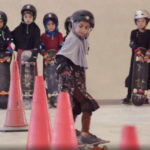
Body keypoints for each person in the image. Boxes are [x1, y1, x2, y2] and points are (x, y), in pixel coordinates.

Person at [56, 10, 101, 144]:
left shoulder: (82, 40)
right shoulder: (73, 39)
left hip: (78, 78)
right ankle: (85, 135)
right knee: (87, 104)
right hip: (72, 80)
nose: (83, 30)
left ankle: (68, 129)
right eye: (80, 26)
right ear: (73, 25)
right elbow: (60, 56)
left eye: (87, 27)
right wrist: (63, 67)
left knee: (76, 107)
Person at [12, 4, 40, 108]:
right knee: (22, 76)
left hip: (31, 54)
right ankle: (21, 96)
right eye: (26, 17)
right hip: (21, 55)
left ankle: (32, 97)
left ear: (34, 17)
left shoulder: (36, 29)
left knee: (31, 76)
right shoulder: (19, 29)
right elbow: (11, 37)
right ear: (22, 17)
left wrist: (35, 55)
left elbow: (37, 43)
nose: (28, 19)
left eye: (30, 17)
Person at [123, 10, 150, 104]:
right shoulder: (134, 32)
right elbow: (133, 44)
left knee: (145, 76)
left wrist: (147, 56)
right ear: (136, 22)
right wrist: (139, 55)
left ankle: (144, 96)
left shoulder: (149, 33)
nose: (140, 23)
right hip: (136, 58)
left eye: (142, 21)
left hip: (147, 59)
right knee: (133, 75)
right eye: (138, 21)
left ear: (146, 22)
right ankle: (129, 96)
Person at [40, 12, 64, 107]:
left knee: (57, 78)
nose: (50, 26)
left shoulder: (59, 35)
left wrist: (56, 55)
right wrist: (46, 55)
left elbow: (62, 47)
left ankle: (57, 99)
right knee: (48, 78)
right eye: (48, 24)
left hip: (56, 60)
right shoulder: (43, 36)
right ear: (45, 25)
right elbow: (40, 48)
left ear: (56, 24)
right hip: (47, 61)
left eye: (52, 24)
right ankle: (49, 99)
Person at [0, 11, 14, 108]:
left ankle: (4, 99)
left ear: (4, 22)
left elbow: (11, 45)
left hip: (4, 57)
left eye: (0, 22)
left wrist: (8, 54)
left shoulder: (7, 32)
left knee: (4, 77)